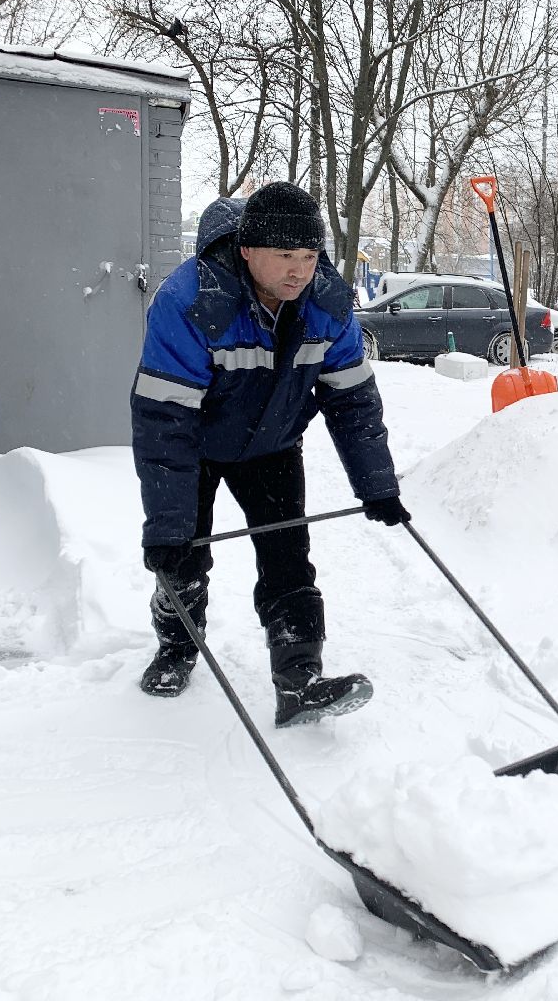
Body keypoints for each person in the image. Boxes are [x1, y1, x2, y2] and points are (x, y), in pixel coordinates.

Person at [130, 182, 410, 727]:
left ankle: (299, 679)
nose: (299, 271)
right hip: (197, 446)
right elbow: (165, 420)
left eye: (308, 256)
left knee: (288, 560)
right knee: (183, 557)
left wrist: (378, 484)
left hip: (273, 446)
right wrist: (167, 524)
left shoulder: (326, 305)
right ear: (247, 251)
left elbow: (352, 400)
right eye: (285, 256)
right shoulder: (191, 303)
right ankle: (177, 646)